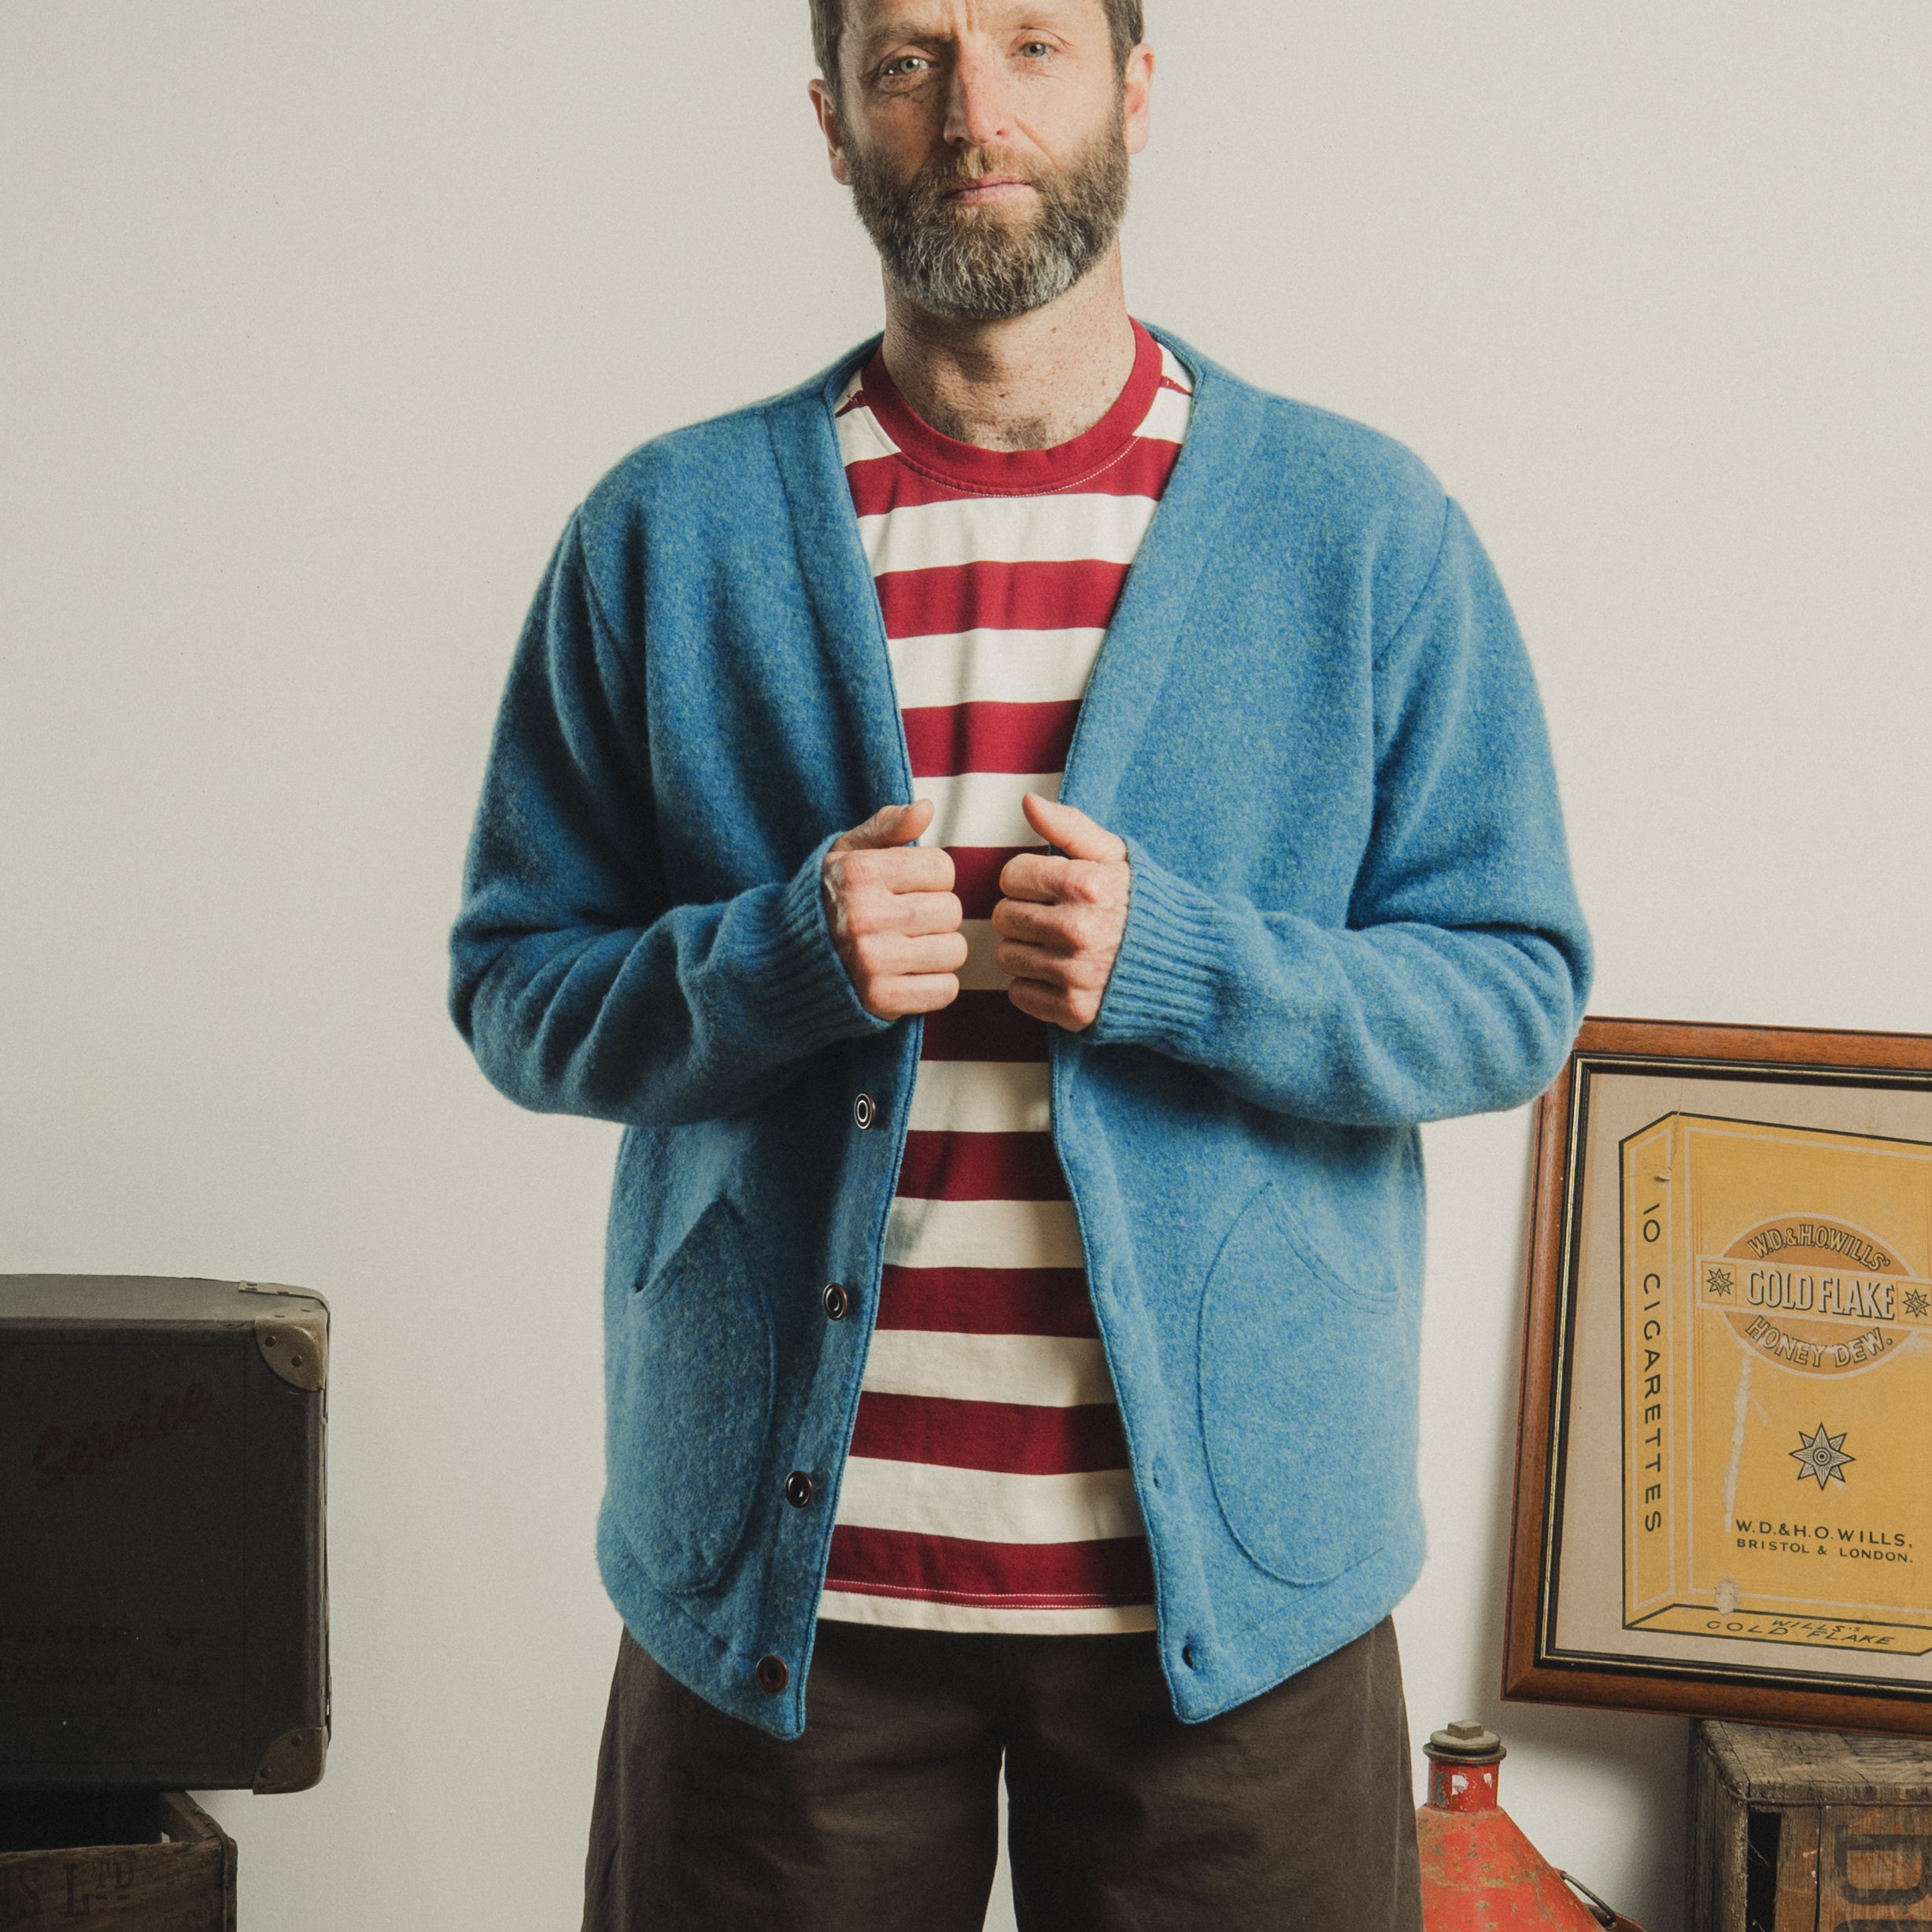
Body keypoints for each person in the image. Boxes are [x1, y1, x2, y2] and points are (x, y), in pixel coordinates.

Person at [448, 1, 1592, 1924]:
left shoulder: (1358, 528)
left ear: (1134, 87)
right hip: (784, 1605)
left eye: (1034, 44)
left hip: (1237, 1607)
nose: (974, 110)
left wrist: (1198, 970)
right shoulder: (671, 529)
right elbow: (515, 981)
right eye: (908, 59)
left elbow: (1511, 989)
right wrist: (771, 964)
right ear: (834, 122)